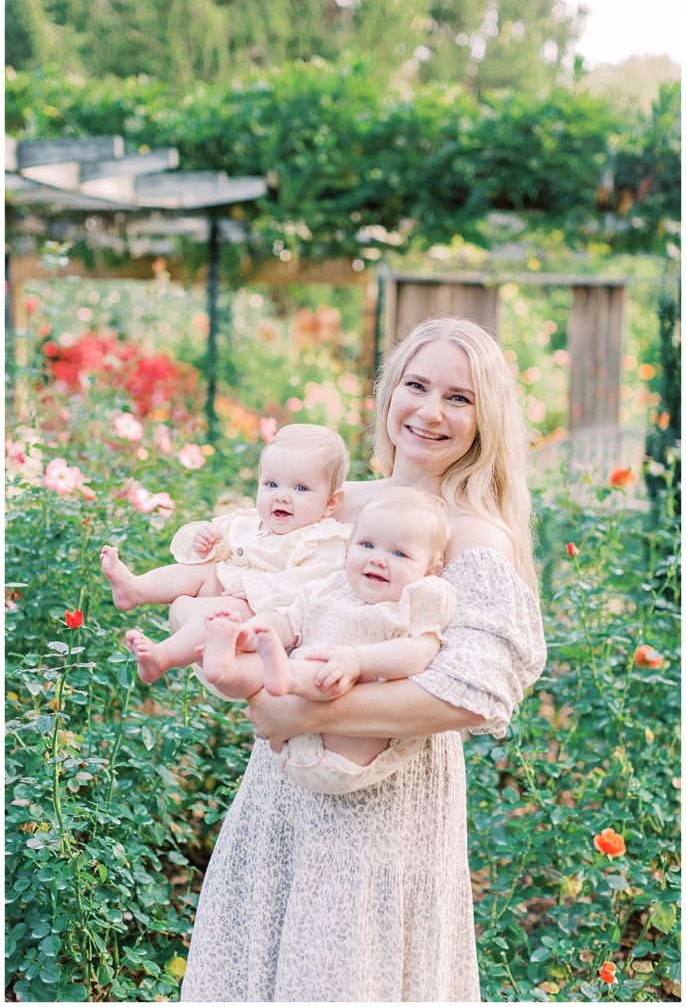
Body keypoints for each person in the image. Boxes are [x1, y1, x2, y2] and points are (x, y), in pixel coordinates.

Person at [179, 317, 547, 1002]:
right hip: (280, 794)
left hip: (382, 814)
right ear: (389, 393)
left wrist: (307, 703)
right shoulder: (332, 507)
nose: (430, 412)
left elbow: (477, 691)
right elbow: (224, 589)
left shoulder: (471, 535)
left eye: (460, 398)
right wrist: (208, 637)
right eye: (417, 384)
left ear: (486, 418)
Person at [199, 487, 457, 794]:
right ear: (350, 548)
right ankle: (223, 669)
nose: (378, 559)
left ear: (430, 571)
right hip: (291, 736)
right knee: (252, 667)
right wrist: (250, 633)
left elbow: (418, 654)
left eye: (399, 553)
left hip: (351, 745)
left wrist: (356, 661)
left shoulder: (415, 600)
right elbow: (286, 622)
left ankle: (288, 675)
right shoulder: (329, 588)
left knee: (320, 667)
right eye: (367, 544)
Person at [100, 424, 351, 683]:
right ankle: (135, 589)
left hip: (264, 615)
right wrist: (209, 544)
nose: (281, 497)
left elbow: (312, 583)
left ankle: (163, 656)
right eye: (271, 484)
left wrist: (259, 591)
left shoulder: (322, 539)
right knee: (201, 570)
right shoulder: (250, 522)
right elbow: (223, 553)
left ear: (331, 502)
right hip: (229, 588)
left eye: (300, 488)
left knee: (227, 611)